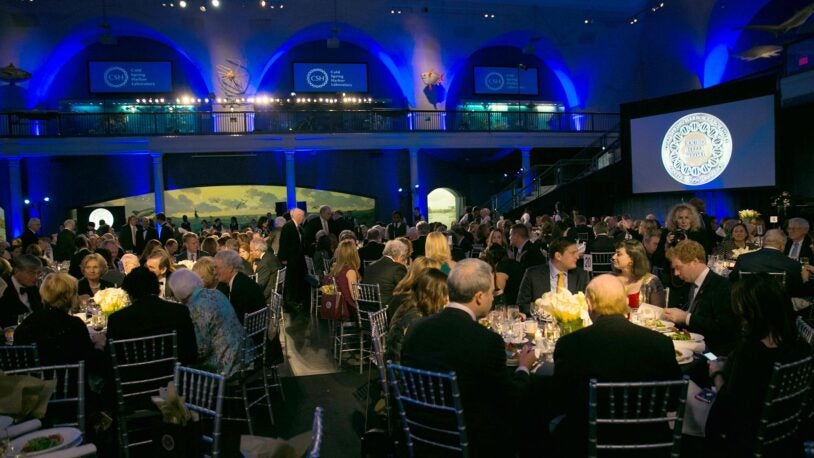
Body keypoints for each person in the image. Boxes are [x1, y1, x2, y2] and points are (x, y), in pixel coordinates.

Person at [400, 259, 536, 457]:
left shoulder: (415, 328)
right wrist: (523, 367)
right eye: (492, 293)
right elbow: (509, 398)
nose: (493, 298)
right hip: (470, 439)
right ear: (479, 297)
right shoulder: (487, 341)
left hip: (419, 431)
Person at [547, 274, 681, 457]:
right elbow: (673, 400)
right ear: (625, 301)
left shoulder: (570, 344)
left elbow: (561, 401)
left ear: (590, 302)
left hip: (588, 441)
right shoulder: (660, 343)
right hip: (650, 440)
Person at [705, 274, 810, 457]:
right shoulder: (800, 346)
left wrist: (716, 373)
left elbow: (730, 407)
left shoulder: (751, 352)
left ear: (751, 312)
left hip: (743, 441)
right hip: (785, 437)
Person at [168, 269, 248, 378]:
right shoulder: (216, 293)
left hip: (226, 366)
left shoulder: (195, 308)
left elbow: (201, 350)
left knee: (175, 369)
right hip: (243, 354)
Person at [107, 267, 197, 364]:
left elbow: (111, 362)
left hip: (133, 376)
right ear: (156, 287)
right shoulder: (179, 311)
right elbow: (191, 353)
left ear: (130, 293)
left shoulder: (117, 319)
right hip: (173, 374)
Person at [662, 240, 738, 355]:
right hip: (695, 347)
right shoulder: (691, 283)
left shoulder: (721, 286)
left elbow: (724, 329)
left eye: (678, 267)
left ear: (695, 262)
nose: (676, 273)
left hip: (712, 354)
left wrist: (685, 318)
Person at [14, 273, 105, 365]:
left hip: (34, 378)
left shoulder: (28, 322)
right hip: (69, 377)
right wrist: (99, 344)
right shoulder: (73, 324)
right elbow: (89, 361)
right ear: (71, 296)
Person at [386, 268, 447, 363]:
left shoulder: (414, 307)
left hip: (405, 367)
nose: (446, 298)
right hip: (406, 373)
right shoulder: (415, 319)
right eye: (444, 294)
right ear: (435, 294)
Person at [516, 237, 589, 315]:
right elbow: (522, 305)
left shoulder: (581, 275)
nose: (577, 257)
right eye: (573, 253)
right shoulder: (533, 274)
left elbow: (588, 305)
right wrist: (544, 312)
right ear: (558, 256)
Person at [730, 229, 805, 297]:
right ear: (782, 245)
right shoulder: (792, 264)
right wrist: (805, 279)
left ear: (763, 243)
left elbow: (733, 280)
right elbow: (797, 291)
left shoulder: (744, 259)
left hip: (748, 305)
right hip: (779, 307)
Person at [214, 249, 265, 322]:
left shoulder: (240, 288)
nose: (215, 272)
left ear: (230, 268)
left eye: (217, 268)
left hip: (248, 331)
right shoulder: (239, 279)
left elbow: (235, 319)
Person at [611, 240, 665, 306]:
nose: (613, 257)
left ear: (632, 258)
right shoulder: (611, 279)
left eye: (619, 254)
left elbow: (658, 312)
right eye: (615, 254)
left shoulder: (651, 282)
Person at [362, 239, 409, 313]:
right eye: (405, 257)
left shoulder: (370, 266)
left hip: (369, 311)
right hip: (387, 312)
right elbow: (405, 290)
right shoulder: (398, 268)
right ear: (401, 256)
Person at [0, 255, 44, 328]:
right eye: (31, 272)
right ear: (16, 270)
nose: (36, 277)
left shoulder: (35, 289)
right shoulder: (3, 288)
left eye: (38, 273)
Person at [277, 208, 306, 312]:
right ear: (297, 216)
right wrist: (284, 259)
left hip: (296, 259)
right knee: (290, 282)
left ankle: (294, 301)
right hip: (290, 259)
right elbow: (283, 243)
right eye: (302, 216)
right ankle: (289, 303)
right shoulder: (288, 226)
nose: (303, 218)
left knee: (294, 281)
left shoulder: (298, 227)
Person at [327, 239, 361, 315]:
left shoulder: (336, 269)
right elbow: (355, 296)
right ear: (354, 254)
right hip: (348, 308)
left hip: (338, 306)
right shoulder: (350, 271)